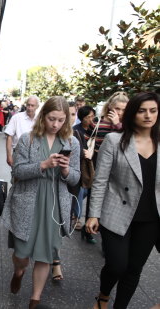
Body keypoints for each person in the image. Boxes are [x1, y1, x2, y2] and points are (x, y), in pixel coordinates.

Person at [1, 96, 80, 309]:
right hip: (28, 201)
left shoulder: (72, 142)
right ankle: (18, 272)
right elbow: (17, 171)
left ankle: (35, 299)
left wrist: (65, 169)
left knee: (45, 255)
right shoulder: (28, 139)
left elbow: (75, 177)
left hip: (54, 203)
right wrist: (43, 164)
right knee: (21, 255)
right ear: (43, 116)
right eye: (51, 119)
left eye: (61, 120)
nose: (55, 124)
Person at [86, 92, 159, 309]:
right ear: (133, 113)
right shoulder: (115, 140)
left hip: (150, 218)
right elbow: (100, 181)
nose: (148, 116)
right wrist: (93, 214)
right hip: (117, 212)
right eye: (142, 110)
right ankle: (104, 295)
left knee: (134, 268)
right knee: (117, 265)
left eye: (153, 111)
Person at [71, 105, 97, 242]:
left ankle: (76, 212)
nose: (91, 119)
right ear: (82, 118)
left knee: (87, 192)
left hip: (93, 165)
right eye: (88, 117)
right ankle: (77, 216)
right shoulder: (76, 131)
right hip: (81, 166)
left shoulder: (96, 130)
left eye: (93, 116)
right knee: (81, 191)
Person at [87, 91, 129, 165]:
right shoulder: (97, 121)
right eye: (117, 108)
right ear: (110, 106)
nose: (120, 112)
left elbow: (129, 140)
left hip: (119, 161)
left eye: (124, 110)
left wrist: (117, 124)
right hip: (97, 160)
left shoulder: (128, 123)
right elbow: (86, 139)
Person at [5, 96, 40, 167]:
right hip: (18, 153)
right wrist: (9, 155)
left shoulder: (40, 119)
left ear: (37, 106)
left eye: (32, 105)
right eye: (28, 105)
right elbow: (9, 137)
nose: (29, 108)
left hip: (35, 154)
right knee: (17, 176)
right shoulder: (17, 118)